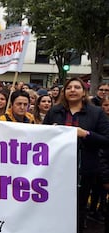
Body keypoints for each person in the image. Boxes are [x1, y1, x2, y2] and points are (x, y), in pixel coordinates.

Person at [43, 77, 109, 232]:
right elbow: (41, 137)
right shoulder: (54, 111)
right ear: (64, 92)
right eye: (69, 87)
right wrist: (49, 132)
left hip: (83, 171)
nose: (72, 90)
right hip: (56, 170)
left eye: (77, 87)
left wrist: (85, 133)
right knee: (55, 207)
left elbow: (106, 140)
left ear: (84, 92)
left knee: (78, 209)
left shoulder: (96, 113)